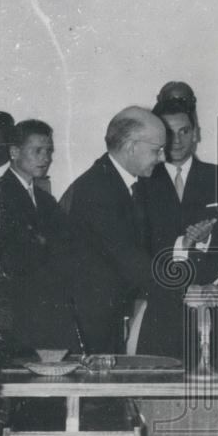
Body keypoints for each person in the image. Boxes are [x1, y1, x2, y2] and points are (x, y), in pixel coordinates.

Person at [0, 119, 81, 436]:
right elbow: (8, 265)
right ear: (15, 152)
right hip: (13, 322)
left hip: (40, 319)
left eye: (49, 150)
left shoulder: (42, 199)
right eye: (37, 150)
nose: (45, 157)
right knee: (11, 412)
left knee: (37, 409)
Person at [137, 98, 218, 370]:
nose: (176, 140)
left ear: (196, 132)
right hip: (161, 312)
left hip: (213, 311)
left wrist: (208, 242)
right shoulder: (141, 182)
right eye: (168, 133)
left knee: (213, 399)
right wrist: (182, 245)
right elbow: (138, 249)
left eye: (184, 131)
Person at [61, 106, 166, 354]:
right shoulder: (98, 190)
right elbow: (130, 259)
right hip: (89, 321)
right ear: (131, 146)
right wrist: (186, 288)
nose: (162, 158)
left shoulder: (122, 183)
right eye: (157, 150)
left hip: (108, 313)